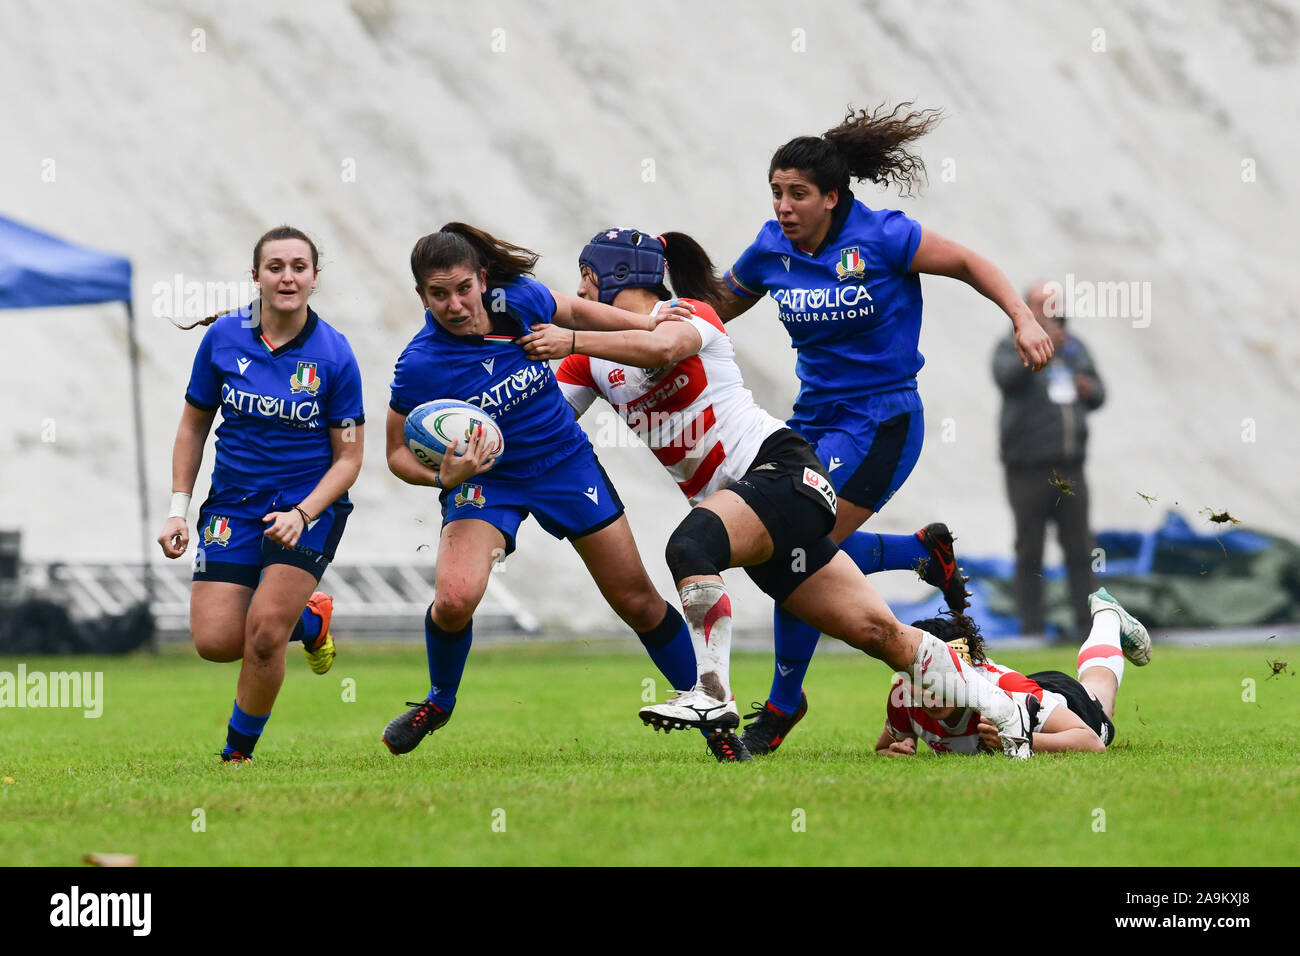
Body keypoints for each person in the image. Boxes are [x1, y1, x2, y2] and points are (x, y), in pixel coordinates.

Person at [520, 227, 1037, 762]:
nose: (579, 295)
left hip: (784, 472)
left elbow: (661, 345)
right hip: (760, 511)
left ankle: (712, 695)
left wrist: (572, 336)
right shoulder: (589, 361)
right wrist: (478, 430)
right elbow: (549, 423)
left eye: (585, 280)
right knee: (881, 633)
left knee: (689, 547)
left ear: (617, 277)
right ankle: (1004, 708)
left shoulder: (687, 313)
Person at [705, 103, 1056, 754]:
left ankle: (783, 704)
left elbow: (970, 263)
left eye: (799, 194)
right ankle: (919, 553)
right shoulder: (770, 249)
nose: (784, 206)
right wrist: (646, 318)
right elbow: (713, 308)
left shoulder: (884, 236)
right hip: (812, 423)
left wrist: (1022, 317)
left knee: (793, 549)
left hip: (882, 423)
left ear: (832, 198)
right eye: (777, 192)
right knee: (790, 550)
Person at [380, 222, 711, 756]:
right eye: (438, 294)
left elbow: (577, 313)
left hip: (565, 464)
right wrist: (444, 476)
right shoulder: (419, 364)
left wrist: (646, 320)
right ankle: (439, 701)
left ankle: (710, 712)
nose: (455, 304)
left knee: (637, 601)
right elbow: (396, 455)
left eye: (463, 288)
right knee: (455, 599)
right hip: (488, 484)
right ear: (422, 295)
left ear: (482, 279)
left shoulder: (521, 302)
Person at [156, 226, 363, 764]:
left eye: (299, 266)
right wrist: (178, 510)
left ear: (315, 278)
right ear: (256, 276)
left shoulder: (335, 354)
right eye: (275, 267)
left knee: (266, 633)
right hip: (233, 505)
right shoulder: (223, 338)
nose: (287, 276)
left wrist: (303, 512)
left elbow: (349, 459)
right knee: (217, 642)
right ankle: (311, 620)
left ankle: (236, 755)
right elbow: (192, 427)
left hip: (309, 506)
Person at [877, 588, 1150, 756]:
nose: (931, 695)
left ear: (966, 673)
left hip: (1059, 701)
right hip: (1032, 691)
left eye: (943, 682)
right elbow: (884, 748)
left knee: (1101, 700)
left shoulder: (1007, 689)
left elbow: (1091, 744)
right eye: (922, 682)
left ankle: (1107, 615)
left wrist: (1020, 739)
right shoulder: (906, 696)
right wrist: (897, 749)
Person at [994, 280, 1106, 640]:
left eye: (1054, 303)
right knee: (1030, 551)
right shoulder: (1009, 343)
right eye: (1041, 304)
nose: (1050, 310)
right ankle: (1033, 630)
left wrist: (1088, 387)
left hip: (1071, 467)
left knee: (1080, 550)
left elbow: (1100, 392)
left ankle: (1087, 629)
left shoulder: (1075, 349)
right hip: (1027, 468)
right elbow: (1005, 377)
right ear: (1026, 308)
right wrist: (1038, 352)